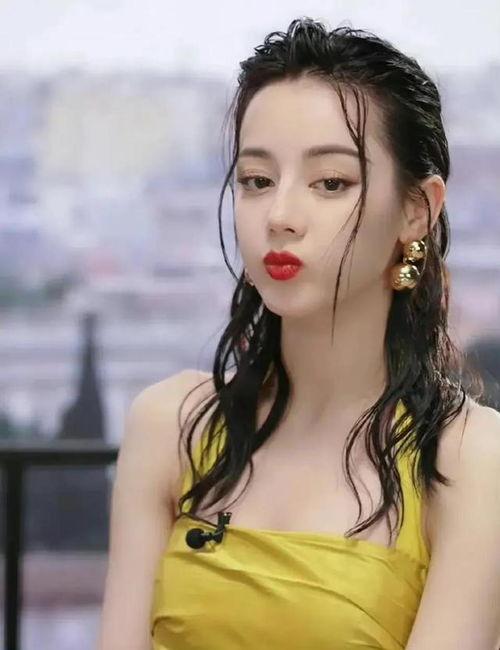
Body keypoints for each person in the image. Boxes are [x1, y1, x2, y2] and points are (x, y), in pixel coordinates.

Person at [97, 17, 500, 650]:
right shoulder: (171, 426)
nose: (280, 216)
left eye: (331, 183)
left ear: (416, 209)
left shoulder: (472, 459)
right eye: (256, 181)